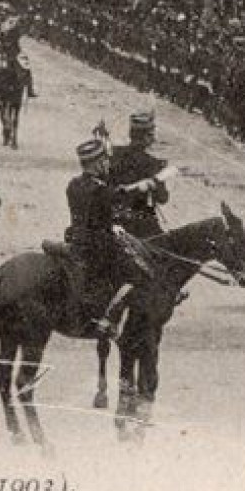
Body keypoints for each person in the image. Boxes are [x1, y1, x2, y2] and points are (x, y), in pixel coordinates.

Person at [65, 136, 152, 340]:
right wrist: (142, 187)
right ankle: (110, 318)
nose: (107, 164)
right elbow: (116, 199)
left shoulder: (74, 184)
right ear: (96, 164)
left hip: (76, 239)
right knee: (136, 271)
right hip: (98, 245)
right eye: (104, 161)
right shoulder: (100, 190)